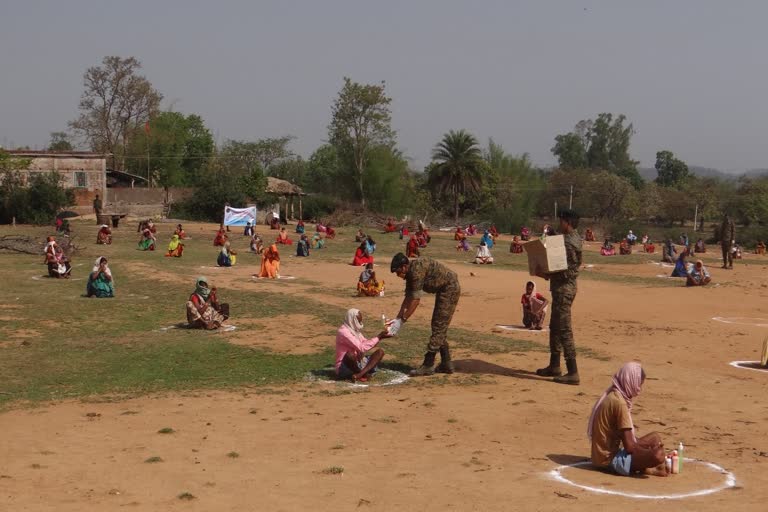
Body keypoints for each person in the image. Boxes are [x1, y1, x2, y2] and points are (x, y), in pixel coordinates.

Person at [588, 362, 667, 477]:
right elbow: (630, 446)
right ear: (631, 381)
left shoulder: (614, 394)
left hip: (605, 453)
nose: (639, 390)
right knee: (658, 455)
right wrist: (649, 452)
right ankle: (643, 467)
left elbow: (629, 439)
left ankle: (645, 467)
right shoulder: (620, 404)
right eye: (639, 385)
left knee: (655, 438)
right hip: (608, 459)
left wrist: (647, 448)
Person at [389, 253, 460, 376]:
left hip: (450, 289)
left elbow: (415, 301)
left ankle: (428, 364)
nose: (398, 275)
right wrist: (397, 318)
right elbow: (408, 297)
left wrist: (402, 320)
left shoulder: (416, 271)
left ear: (405, 266)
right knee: (438, 327)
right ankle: (446, 363)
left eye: (398, 271)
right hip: (443, 289)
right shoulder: (410, 274)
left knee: (438, 326)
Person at [535, 209, 582, 385]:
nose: (559, 224)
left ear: (567, 222)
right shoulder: (572, 238)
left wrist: (543, 273)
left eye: (561, 221)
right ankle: (554, 365)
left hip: (564, 288)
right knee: (555, 326)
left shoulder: (569, 243)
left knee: (564, 329)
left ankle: (573, 371)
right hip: (562, 288)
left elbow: (563, 271)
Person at [335, 309, 391, 382]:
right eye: (358, 321)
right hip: (345, 366)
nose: (360, 323)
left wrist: (379, 337)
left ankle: (359, 374)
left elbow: (365, 342)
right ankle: (363, 373)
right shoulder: (343, 332)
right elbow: (361, 347)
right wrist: (379, 337)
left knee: (380, 352)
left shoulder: (355, 331)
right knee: (349, 355)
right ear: (352, 320)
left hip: (359, 361)